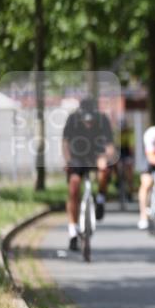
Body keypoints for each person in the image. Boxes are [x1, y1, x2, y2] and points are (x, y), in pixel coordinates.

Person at [62, 97, 115, 251]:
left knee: (104, 171)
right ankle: (73, 232)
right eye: (86, 120)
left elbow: (110, 145)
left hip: (96, 154)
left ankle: (100, 199)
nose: (89, 123)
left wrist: (107, 158)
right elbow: (65, 143)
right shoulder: (72, 120)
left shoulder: (103, 120)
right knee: (74, 187)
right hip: (77, 156)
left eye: (91, 120)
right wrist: (68, 161)